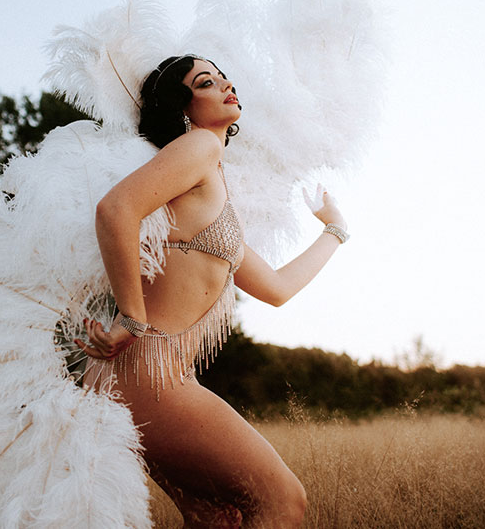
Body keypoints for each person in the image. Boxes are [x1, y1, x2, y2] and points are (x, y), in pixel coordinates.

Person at [76, 55, 350, 528]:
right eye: (206, 82)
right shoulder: (199, 145)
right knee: (284, 501)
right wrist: (130, 317)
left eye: (225, 77)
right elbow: (115, 209)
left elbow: (278, 289)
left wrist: (336, 230)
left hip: (144, 376)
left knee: (217, 519)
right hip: (147, 369)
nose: (226, 85)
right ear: (184, 107)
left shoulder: (210, 191)